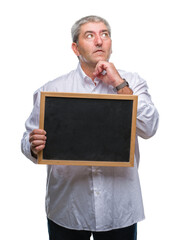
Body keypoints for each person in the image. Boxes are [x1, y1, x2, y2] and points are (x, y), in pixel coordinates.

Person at [21, 15, 159, 240]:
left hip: (119, 209)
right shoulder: (53, 89)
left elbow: (149, 127)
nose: (99, 41)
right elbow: (28, 139)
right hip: (69, 209)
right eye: (90, 35)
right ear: (75, 48)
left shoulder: (132, 83)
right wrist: (32, 145)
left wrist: (119, 83)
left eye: (105, 34)